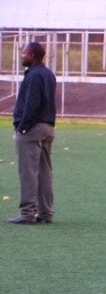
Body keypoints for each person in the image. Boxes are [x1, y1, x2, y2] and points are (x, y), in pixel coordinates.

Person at [8, 42, 56, 225]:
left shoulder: (33, 75)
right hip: (48, 127)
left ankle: (27, 213)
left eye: (25, 53)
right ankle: (45, 213)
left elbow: (32, 103)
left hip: (32, 129)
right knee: (44, 172)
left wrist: (22, 127)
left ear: (33, 55)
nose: (22, 55)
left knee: (28, 172)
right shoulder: (48, 74)